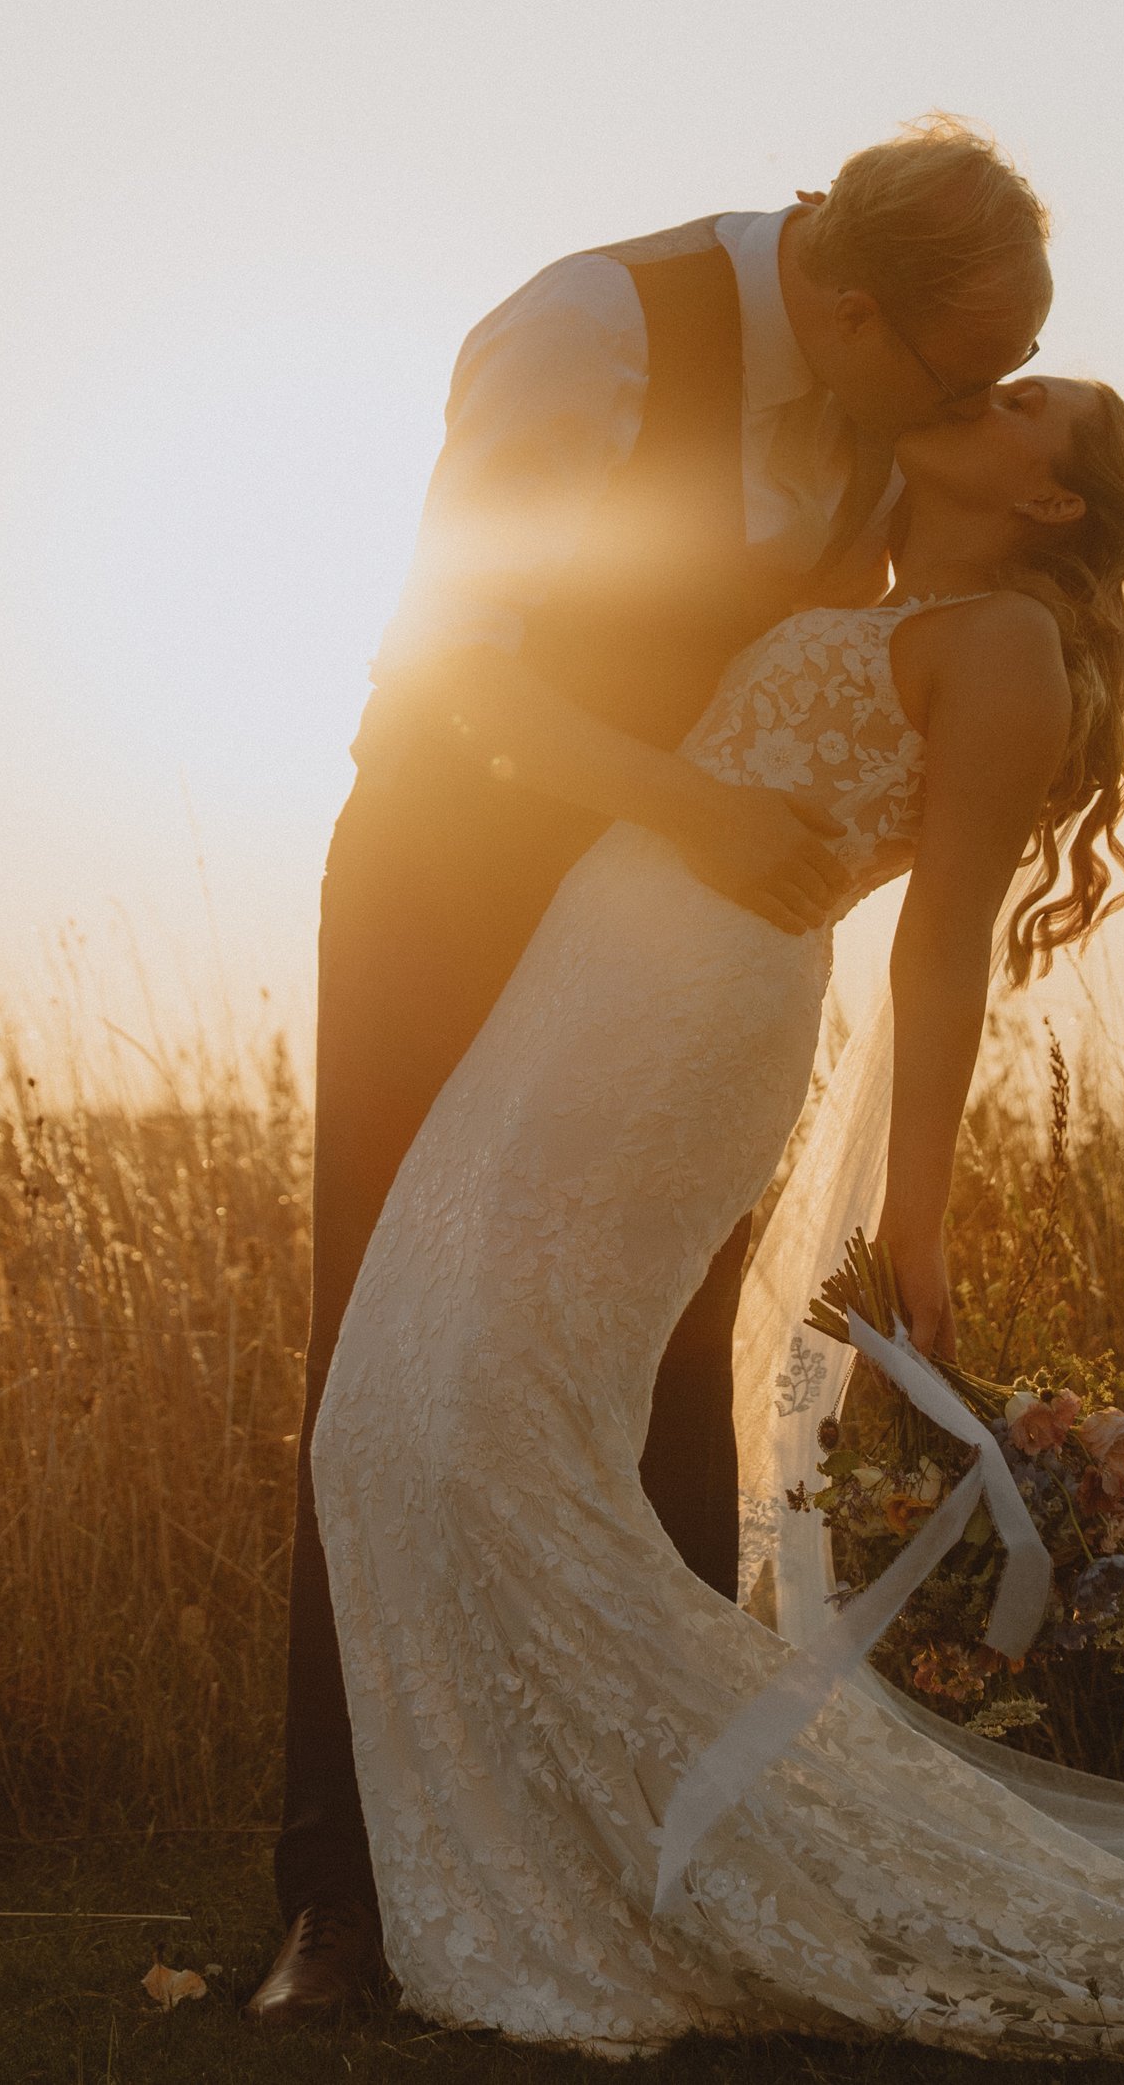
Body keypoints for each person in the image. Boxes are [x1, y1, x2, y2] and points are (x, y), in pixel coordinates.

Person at [309, 373, 1124, 2074]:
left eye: (1025, 404)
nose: (980, 395)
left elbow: (943, 946)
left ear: (1056, 501)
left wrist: (915, 1212)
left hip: (687, 1014)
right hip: (584, 976)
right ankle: (569, 1856)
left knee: (492, 1425)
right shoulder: (881, 591)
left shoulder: (999, 644)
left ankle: (619, 1879)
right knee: (381, 1422)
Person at [247, 120, 1054, 2024]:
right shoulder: (589, 331)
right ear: (851, 312)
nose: (992, 407)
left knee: (664, 1352)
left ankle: (670, 1856)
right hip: (457, 876)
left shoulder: (893, 393)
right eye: (974, 373)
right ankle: (342, 1896)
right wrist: (688, 808)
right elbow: (447, 662)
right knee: (387, 1349)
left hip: (687, 948)